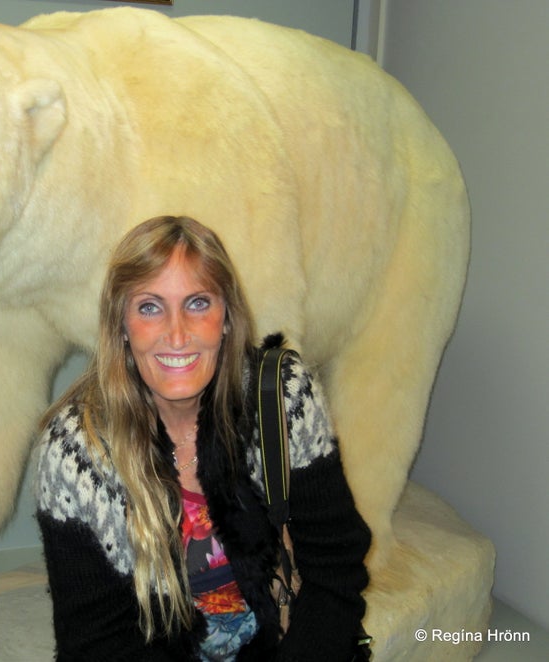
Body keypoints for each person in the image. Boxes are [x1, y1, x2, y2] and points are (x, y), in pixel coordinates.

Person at [35, 216, 371, 660]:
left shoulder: (284, 399)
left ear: (227, 318)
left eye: (197, 303)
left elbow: (335, 572)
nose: (176, 335)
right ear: (121, 325)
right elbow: (96, 644)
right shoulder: (77, 452)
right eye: (150, 307)